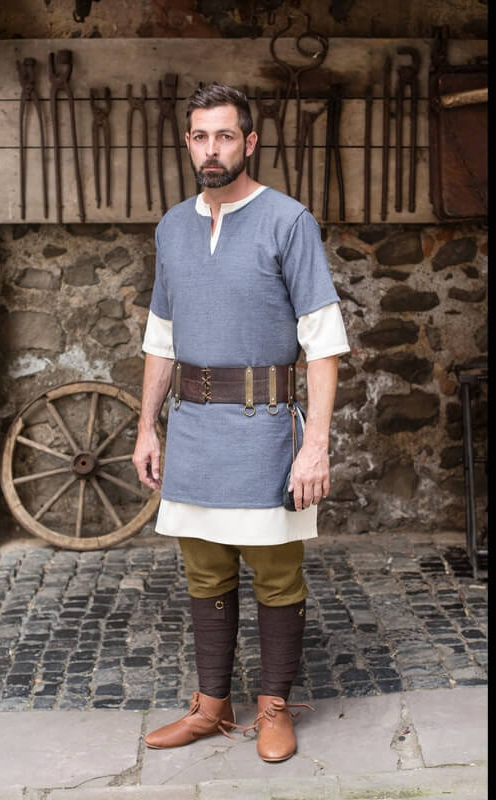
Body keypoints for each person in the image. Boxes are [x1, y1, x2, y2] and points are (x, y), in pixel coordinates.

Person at [133, 83, 350, 763]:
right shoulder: (172, 227)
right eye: (200, 136)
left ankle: (275, 707)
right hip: (193, 428)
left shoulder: (289, 221)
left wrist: (315, 446)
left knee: (277, 573)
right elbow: (160, 337)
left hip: (265, 429)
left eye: (225, 136)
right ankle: (212, 706)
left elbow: (323, 342)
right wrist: (146, 428)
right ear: (188, 143)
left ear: (249, 143)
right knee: (204, 571)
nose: (211, 149)